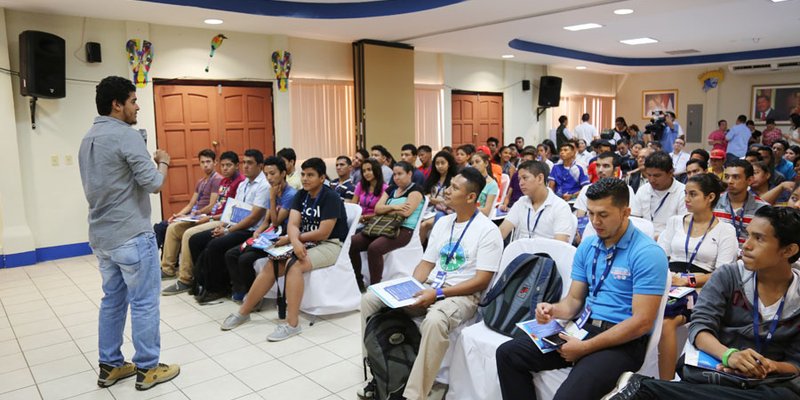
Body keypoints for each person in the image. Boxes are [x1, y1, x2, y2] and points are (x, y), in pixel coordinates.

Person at [496, 178, 668, 400]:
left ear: (626, 212)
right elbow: (573, 302)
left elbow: (642, 322)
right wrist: (553, 310)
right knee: (508, 354)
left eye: (603, 215)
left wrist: (585, 348)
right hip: (581, 327)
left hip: (621, 341)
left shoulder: (647, 253)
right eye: (590, 213)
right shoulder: (588, 245)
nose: (595, 222)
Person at [605, 206, 800, 400]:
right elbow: (700, 327)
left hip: (769, 381)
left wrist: (770, 365)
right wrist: (729, 355)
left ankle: (647, 389)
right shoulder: (729, 276)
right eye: (748, 236)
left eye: (759, 239)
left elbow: (796, 362)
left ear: (789, 250)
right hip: (719, 368)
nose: (746, 245)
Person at [358, 167, 504, 400]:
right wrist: (408, 288)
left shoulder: (487, 231)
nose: (447, 191)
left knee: (435, 321)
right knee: (370, 299)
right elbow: (425, 265)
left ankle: (413, 394)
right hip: (431, 287)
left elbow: (481, 281)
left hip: (462, 295)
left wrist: (437, 292)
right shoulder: (443, 223)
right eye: (450, 185)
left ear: (471, 198)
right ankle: (376, 372)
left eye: (455, 188)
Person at [78, 76, 179, 390]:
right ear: (117, 104)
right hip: (132, 235)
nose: (137, 107)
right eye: (134, 101)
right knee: (145, 302)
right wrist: (163, 162)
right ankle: (148, 367)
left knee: (112, 301)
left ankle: (110, 365)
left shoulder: (88, 138)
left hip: (102, 238)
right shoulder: (126, 135)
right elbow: (153, 183)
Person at [220, 158, 350, 341]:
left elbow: (323, 232)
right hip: (303, 241)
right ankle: (243, 312)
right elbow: (294, 224)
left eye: (311, 175)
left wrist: (294, 240)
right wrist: (294, 240)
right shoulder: (301, 195)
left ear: (322, 178)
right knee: (272, 263)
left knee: (293, 265)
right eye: (303, 174)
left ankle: (292, 324)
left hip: (329, 244)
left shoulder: (331, 197)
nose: (305, 179)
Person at [655, 173, 738, 380]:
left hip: (700, 288)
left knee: (667, 322)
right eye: (685, 194)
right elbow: (659, 255)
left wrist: (687, 280)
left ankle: (666, 383)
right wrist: (668, 277)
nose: (686, 199)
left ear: (710, 197)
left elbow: (722, 275)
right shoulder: (675, 222)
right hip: (669, 279)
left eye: (693, 194)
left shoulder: (725, 230)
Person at [187, 149, 270, 303]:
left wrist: (227, 230)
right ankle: (201, 281)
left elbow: (253, 218)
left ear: (260, 165)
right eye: (244, 162)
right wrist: (223, 225)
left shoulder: (264, 186)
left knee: (215, 244)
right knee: (196, 240)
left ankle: (217, 288)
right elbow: (233, 209)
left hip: (249, 230)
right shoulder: (244, 183)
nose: (245, 166)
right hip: (234, 225)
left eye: (250, 163)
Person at [161, 151, 245, 296]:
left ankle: (185, 279)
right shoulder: (223, 181)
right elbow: (199, 204)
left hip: (220, 219)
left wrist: (207, 217)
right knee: (173, 228)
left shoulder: (239, 183)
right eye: (223, 165)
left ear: (237, 166)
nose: (225, 168)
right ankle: (167, 269)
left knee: (188, 234)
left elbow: (229, 212)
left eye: (228, 165)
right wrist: (186, 214)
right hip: (210, 216)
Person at [224, 156, 297, 302]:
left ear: (283, 174)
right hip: (270, 234)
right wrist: (258, 232)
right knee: (231, 254)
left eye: (272, 173)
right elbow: (267, 221)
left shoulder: (290, 194)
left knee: (245, 258)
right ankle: (241, 291)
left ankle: (255, 298)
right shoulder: (274, 190)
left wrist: (271, 198)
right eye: (266, 174)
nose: (269, 178)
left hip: (283, 237)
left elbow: (276, 222)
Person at [349, 161, 424, 291]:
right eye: (394, 174)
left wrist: (386, 209)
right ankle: (358, 281)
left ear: (409, 173)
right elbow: (378, 209)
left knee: (374, 248)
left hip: (403, 229)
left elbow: (406, 212)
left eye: (400, 174)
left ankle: (375, 287)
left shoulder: (416, 190)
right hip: (383, 226)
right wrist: (395, 206)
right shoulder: (391, 189)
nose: (396, 177)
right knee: (352, 243)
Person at [159, 149, 221, 279]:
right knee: (172, 227)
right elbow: (191, 204)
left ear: (215, 162)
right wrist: (178, 215)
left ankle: (186, 276)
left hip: (206, 217)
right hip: (195, 216)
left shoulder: (217, 180)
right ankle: (167, 269)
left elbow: (212, 205)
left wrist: (197, 213)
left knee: (185, 233)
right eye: (202, 162)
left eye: (208, 162)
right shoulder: (201, 181)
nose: (205, 165)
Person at [498, 160, 575, 243]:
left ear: (540, 178)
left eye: (525, 178)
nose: (520, 183)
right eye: (519, 179)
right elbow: (502, 231)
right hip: (520, 253)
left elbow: (560, 244)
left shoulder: (560, 207)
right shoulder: (521, 202)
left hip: (546, 254)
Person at [631, 151, 687, 239]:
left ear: (670, 172)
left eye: (657, 176)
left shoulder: (683, 192)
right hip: (643, 240)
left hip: (671, 241)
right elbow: (635, 220)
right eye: (649, 175)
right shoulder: (643, 190)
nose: (652, 180)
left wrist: (660, 238)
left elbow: (683, 227)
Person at [713, 159, 769, 247]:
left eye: (736, 177)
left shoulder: (764, 209)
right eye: (727, 177)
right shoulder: (712, 203)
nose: (729, 181)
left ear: (750, 180)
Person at [575, 152, 635, 218]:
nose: (600, 170)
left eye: (606, 166)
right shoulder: (586, 189)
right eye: (597, 165)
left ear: (615, 170)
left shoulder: (626, 189)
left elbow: (630, 217)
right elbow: (580, 217)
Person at [420, 151, 458, 246]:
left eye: (442, 163)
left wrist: (437, 200)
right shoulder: (433, 178)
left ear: (449, 164)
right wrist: (428, 197)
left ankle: (423, 251)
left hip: (447, 211)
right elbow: (425, 193)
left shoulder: (455, 179)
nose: (440, 166)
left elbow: (454, 200)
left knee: (424, 225)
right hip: (430, 210)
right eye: (437, 163)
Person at [350, 158, 387, 226]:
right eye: (364, 171)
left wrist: (365, 217)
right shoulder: (360, 184)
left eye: (369, 170)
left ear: (376, 170)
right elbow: (353, 205)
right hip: (359, 219)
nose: (366, 173)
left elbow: (383, 212)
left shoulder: (384, 188)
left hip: (375, 221)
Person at [500, 148, 537, 213]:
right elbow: (508, 195)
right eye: (523, 160)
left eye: (527, 160)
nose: (524, 163)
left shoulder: (535, 177)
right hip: (512, 207)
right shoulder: (516, 175)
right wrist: (505, 205)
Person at [471, 151, 499, 216]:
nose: (474, 165)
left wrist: (467, 208)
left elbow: (486, 211)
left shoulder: (492, 185)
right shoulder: (470, 181)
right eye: (472, 163)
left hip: (479, 217)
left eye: (477, 162)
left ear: (486, 163)